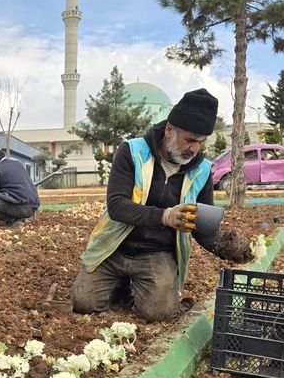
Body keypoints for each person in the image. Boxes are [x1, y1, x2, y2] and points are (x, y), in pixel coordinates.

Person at [71, 88, 251, 322]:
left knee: (161, 314)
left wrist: (223, 246)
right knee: (84, 303)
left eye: (200, 142)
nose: (194, 148)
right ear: (169, 130)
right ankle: (122, 283)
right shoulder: (133, 152)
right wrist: (165, 216)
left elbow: (197, 223)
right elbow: (116, 206)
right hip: (114, 247)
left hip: (157, 253)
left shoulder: (202, 170)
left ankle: (138, 283)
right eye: (189, 140)